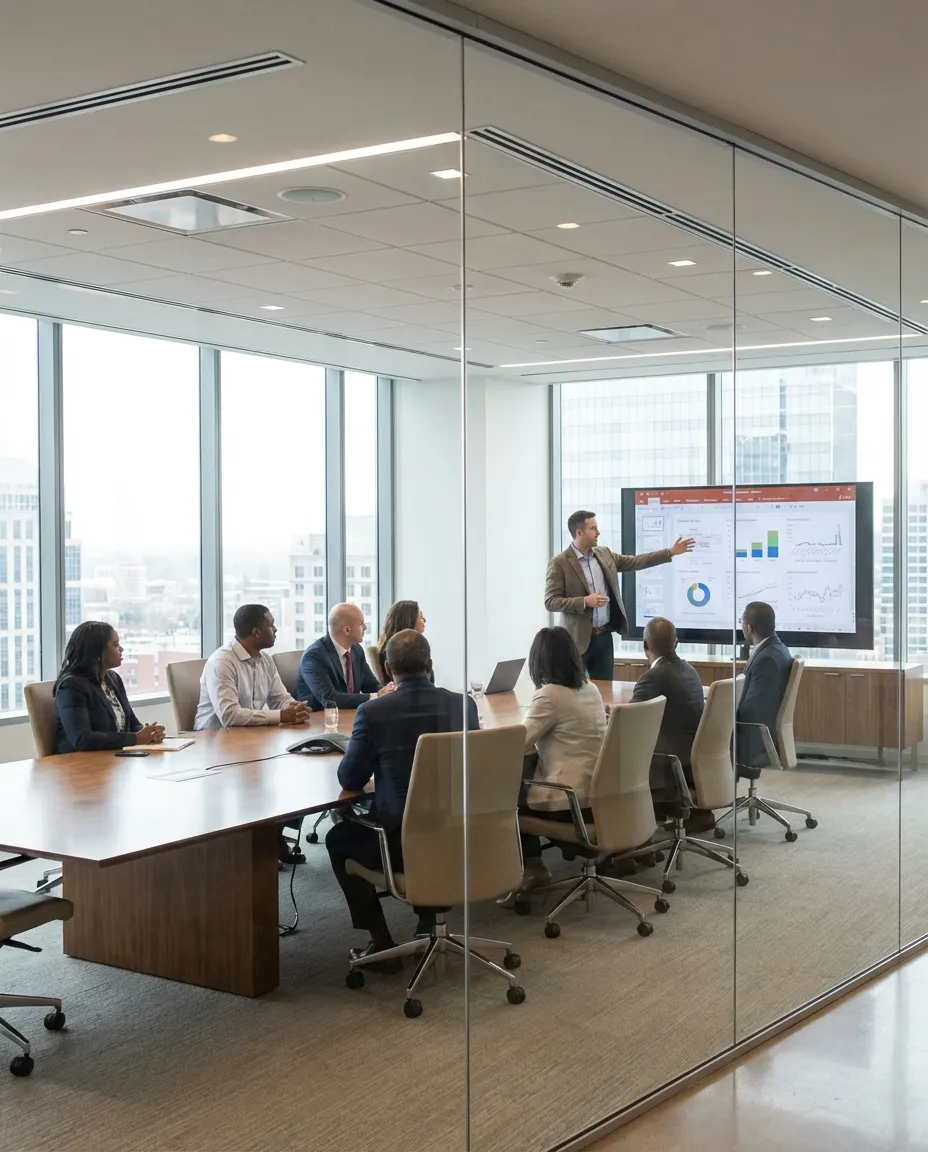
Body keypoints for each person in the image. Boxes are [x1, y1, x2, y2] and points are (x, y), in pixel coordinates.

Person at [326, 629, 478, 971]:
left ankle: (380, 940)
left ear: (388, 669)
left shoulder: (374, 712)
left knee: (337, 839)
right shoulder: (463, 705)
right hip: (463, 837)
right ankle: (428, 922)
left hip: (400, 846)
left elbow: (350, 779)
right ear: (431, 665)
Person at [194, 603, 311, 865]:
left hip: (252, 740)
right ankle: (258, 847)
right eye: (272, 625)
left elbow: (280, 697)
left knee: (296, 775)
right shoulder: (222, 662)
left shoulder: (265, 659)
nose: (276, 629)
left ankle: (274, 835)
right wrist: (282, 716)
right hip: (216, 747)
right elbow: (230, 716)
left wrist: (295, 708)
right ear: (257, 632)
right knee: (265, 781)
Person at [512, 626, 607, 899]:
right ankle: (569, 850)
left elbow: (520, 741)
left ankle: (533, 867)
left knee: (509, 794)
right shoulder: (591, 690)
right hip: (599, 795)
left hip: (570, 802)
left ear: (538, 660)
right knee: (527, 772)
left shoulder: (550, 695)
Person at [545, 510, 694, 681]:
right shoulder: (559, 563)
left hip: (604, 638)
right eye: (593, 528)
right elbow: (550, 601)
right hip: (576, 641)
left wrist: (670, 552)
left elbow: (635, 561)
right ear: (579, 532)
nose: (598, 532)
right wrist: (584, 601)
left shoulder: (604, 554)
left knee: (606, 690)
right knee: (572, 690)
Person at [53, 621, 165, 754]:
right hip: (79, 764)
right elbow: (83, 739)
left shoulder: (113, 679)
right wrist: (136, 738)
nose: (121, 649)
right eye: (115, 644)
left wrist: (149, 733)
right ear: (97, 651)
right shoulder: (71, 687)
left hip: (114, 761)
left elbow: (132, 723)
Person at [630, 617, 705, 777]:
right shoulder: (690, 671)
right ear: (676, 643)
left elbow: (626, 725)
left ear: (645, 644)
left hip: (668, 766)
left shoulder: (653, 677)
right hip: (695, 760)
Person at [296, 602, 394, 710]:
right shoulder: (314, 657)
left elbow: (371, 685)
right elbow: (329, 698)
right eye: (362, 624)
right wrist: (377, 696)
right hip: (319, 719)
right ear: (347, 630)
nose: (365, 627)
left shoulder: (356, 650)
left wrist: (388, 692)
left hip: (348, 716)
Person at [737, 601, 794, 767]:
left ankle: (715, 792)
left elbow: (752, 710)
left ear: (749, 628)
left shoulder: (767, 659)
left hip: (754, 740)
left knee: (704, 738)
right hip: (761, 733)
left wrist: (721, 712)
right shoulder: (777, 649)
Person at [369, 599, 430, 685]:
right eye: (420, 616)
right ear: (409, 620)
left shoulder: (392, 649)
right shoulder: (396, 653)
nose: (424, 620)